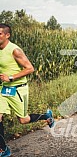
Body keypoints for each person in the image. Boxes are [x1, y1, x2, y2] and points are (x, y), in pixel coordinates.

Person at [0, 24, 55, 157]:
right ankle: (3, 149)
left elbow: (30, 68)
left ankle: (46, 116)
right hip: (3, 89)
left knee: (23, 120)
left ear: (7, 35)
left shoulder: (15, 50)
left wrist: (11, 77)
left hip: (17, 89)